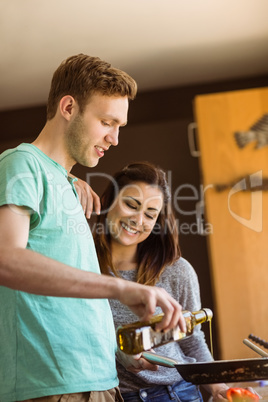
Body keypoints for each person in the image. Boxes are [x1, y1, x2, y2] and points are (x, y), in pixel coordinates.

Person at [0, 55, 186, 402]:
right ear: (68, 107)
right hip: (55, 385)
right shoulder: (21, 164)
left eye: (120, 126)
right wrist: (120, 289)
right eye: (106, 121)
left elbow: (66, 298)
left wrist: (119, 354)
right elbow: (6, 259)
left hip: (98, 380)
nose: (115, 139)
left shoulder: (67, 184)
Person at [93, 161, 232, 402]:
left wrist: (219, 389)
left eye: (149, 214)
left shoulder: (177, 271)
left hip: (176, 394)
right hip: (110, 396)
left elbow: (192, 340)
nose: (138, 219)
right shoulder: (81, 269)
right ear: (108, 200)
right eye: (130, 205)